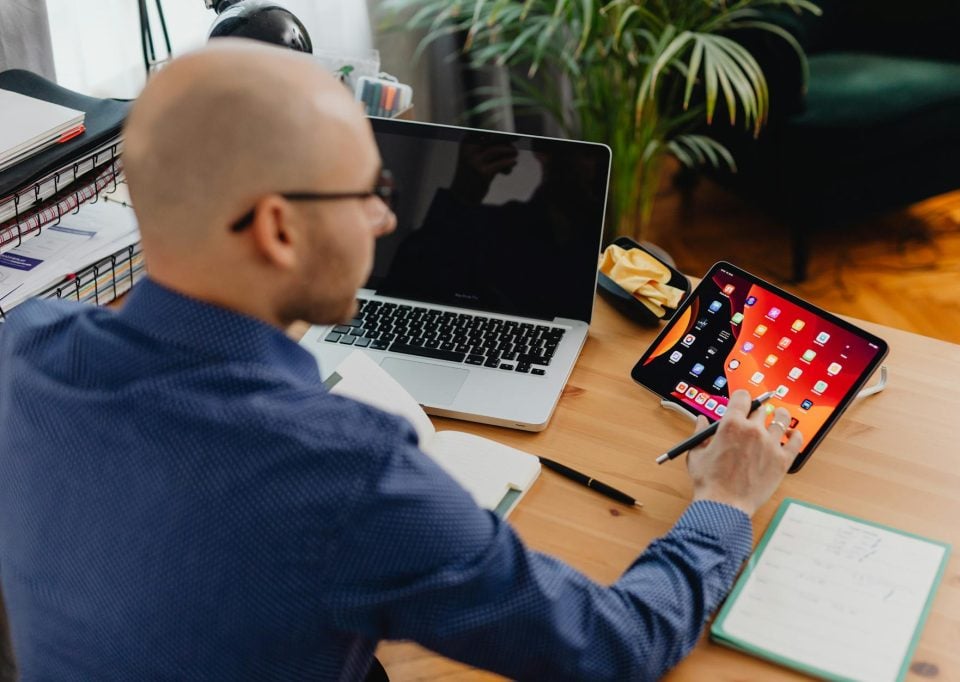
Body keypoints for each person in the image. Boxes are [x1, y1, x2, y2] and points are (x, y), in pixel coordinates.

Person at [0, 41, 803, 681]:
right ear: (279, 230)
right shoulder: (345, 474)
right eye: (370, 190)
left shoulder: (23, 351)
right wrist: (726, 501)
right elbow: (612, 648)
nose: (385, 217)